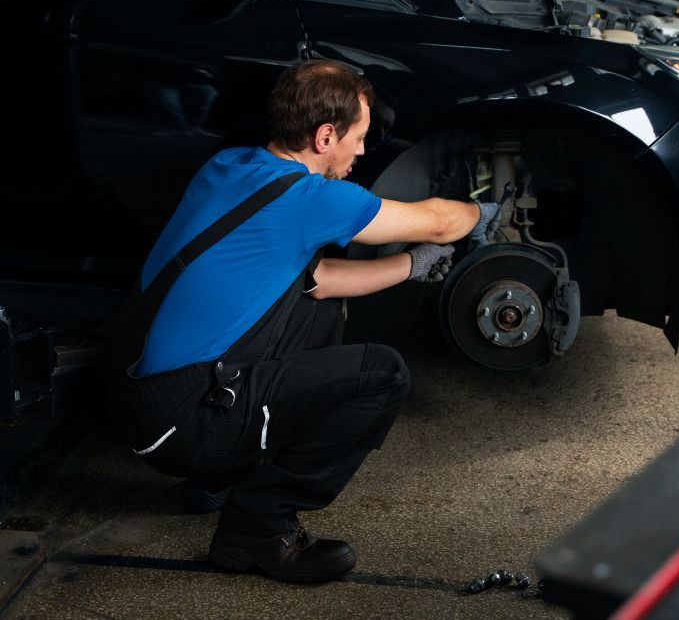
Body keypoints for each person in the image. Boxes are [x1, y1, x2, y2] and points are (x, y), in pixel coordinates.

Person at [102, 59, 498, 584]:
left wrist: (412, 265)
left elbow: (321, 279)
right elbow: (444, 220)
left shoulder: (231, 165)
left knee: (318, 310)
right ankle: (257, 529)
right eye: (358, 137)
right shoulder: (311, 199)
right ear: (325, 134)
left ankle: (214, 479)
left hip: (141, 397)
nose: (362, 150)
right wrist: (487, 214)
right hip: (180, 422)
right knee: (381, 376)